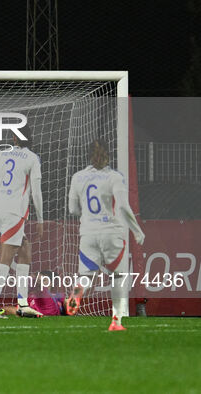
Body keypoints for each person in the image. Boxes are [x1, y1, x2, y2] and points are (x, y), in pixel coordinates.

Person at [68, 139, 145, 331]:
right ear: (108, 155)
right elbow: (122, 206)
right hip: (111, 232)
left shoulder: (78, 177)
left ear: (87, 156)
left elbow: (72, 209)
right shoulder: (115, 177)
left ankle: (78, 292)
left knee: (86, 275)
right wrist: (136, 230)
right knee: (118, 277)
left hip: (87, 232)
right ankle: (116, 321)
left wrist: (87, 216)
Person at [0, 131, 44, 318]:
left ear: (14, 139)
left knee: (25, 250)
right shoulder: (32, 158)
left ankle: (22, 303)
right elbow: (36, 193)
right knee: (6, 257)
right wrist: (41, 220)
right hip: (14, 212)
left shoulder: (0, 156)